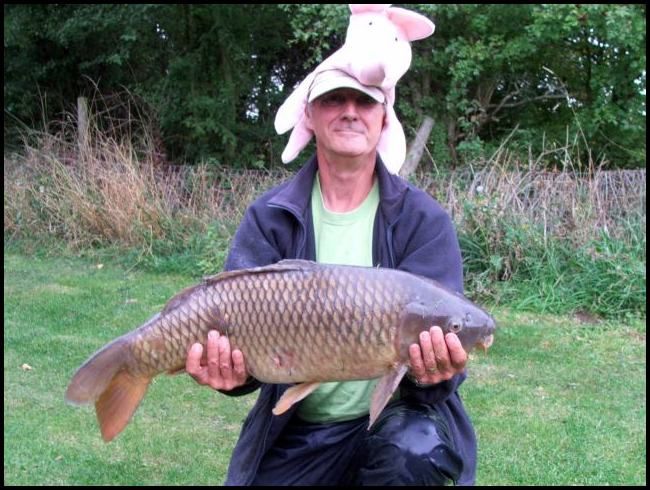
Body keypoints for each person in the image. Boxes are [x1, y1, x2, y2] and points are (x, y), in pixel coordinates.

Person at [185, 67, 476, 485]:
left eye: (364, 101)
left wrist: (436, 373)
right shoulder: (270, 218)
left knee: (414, 452)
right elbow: (245, 360)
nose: (350, 112)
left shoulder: (423, 220)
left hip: (397, 423)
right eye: (334, 99)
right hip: (299, 427)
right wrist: (230, 376)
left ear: (384, 117)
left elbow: (441, 361)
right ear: (309, 116)